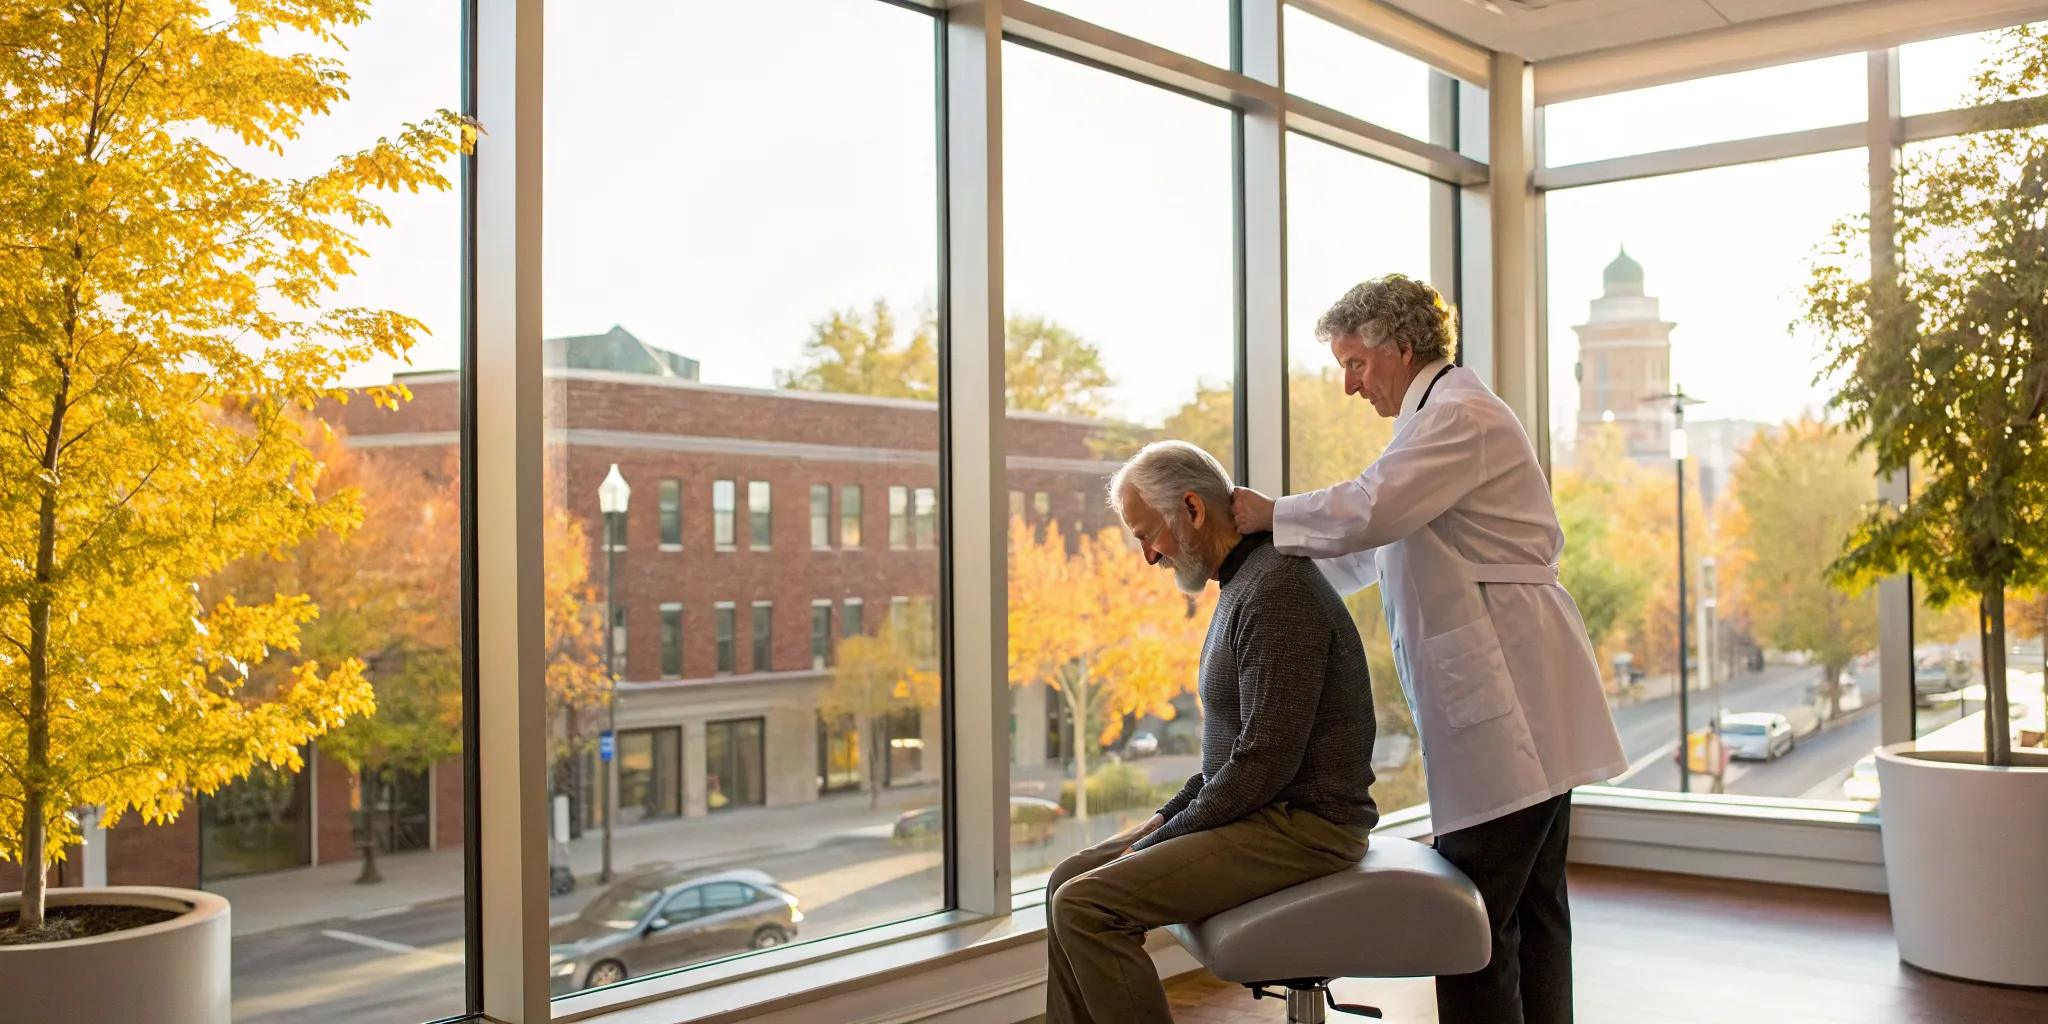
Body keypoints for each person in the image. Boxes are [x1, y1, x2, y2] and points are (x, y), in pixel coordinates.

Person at [1232, 275, 1627, 1024]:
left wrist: (1264, 515)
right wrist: (1260, 575)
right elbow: (1369, 548)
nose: (1349, 385)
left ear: (1402, 348)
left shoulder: (1457, 417)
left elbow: (1370, 509)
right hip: (1522, 693)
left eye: (1355, 364)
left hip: (1513, 702)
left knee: (1470, 928)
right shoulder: (1431, 425)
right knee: (1531, 910)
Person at [1043, 439, 1378, 1024]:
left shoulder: (1278, 590)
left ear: (1193, 509)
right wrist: (1166, 817)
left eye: (1148, 535)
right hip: (1266, 812)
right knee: (1066, 880)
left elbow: (1263, 765)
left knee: (1085, 905)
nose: (1149, 556)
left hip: (1307, 827)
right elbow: (1232, 760)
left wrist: (1156, 842)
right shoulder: (1245, 584)